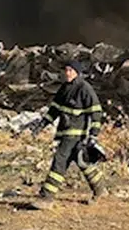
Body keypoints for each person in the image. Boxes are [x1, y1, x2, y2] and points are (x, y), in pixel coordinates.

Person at [37, 59, 106, 204]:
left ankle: (46, 198)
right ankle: (100, 190)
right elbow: (54, 110)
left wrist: (93, 135)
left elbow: (96, 112)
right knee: (83, 163)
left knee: (59, 161)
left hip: (77, 135)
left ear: (77, 72)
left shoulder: (84, 88)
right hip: (66, 133)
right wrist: (42, 124)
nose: (67, 73)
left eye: (71, 70)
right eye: (66, 70)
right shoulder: (64, 88)